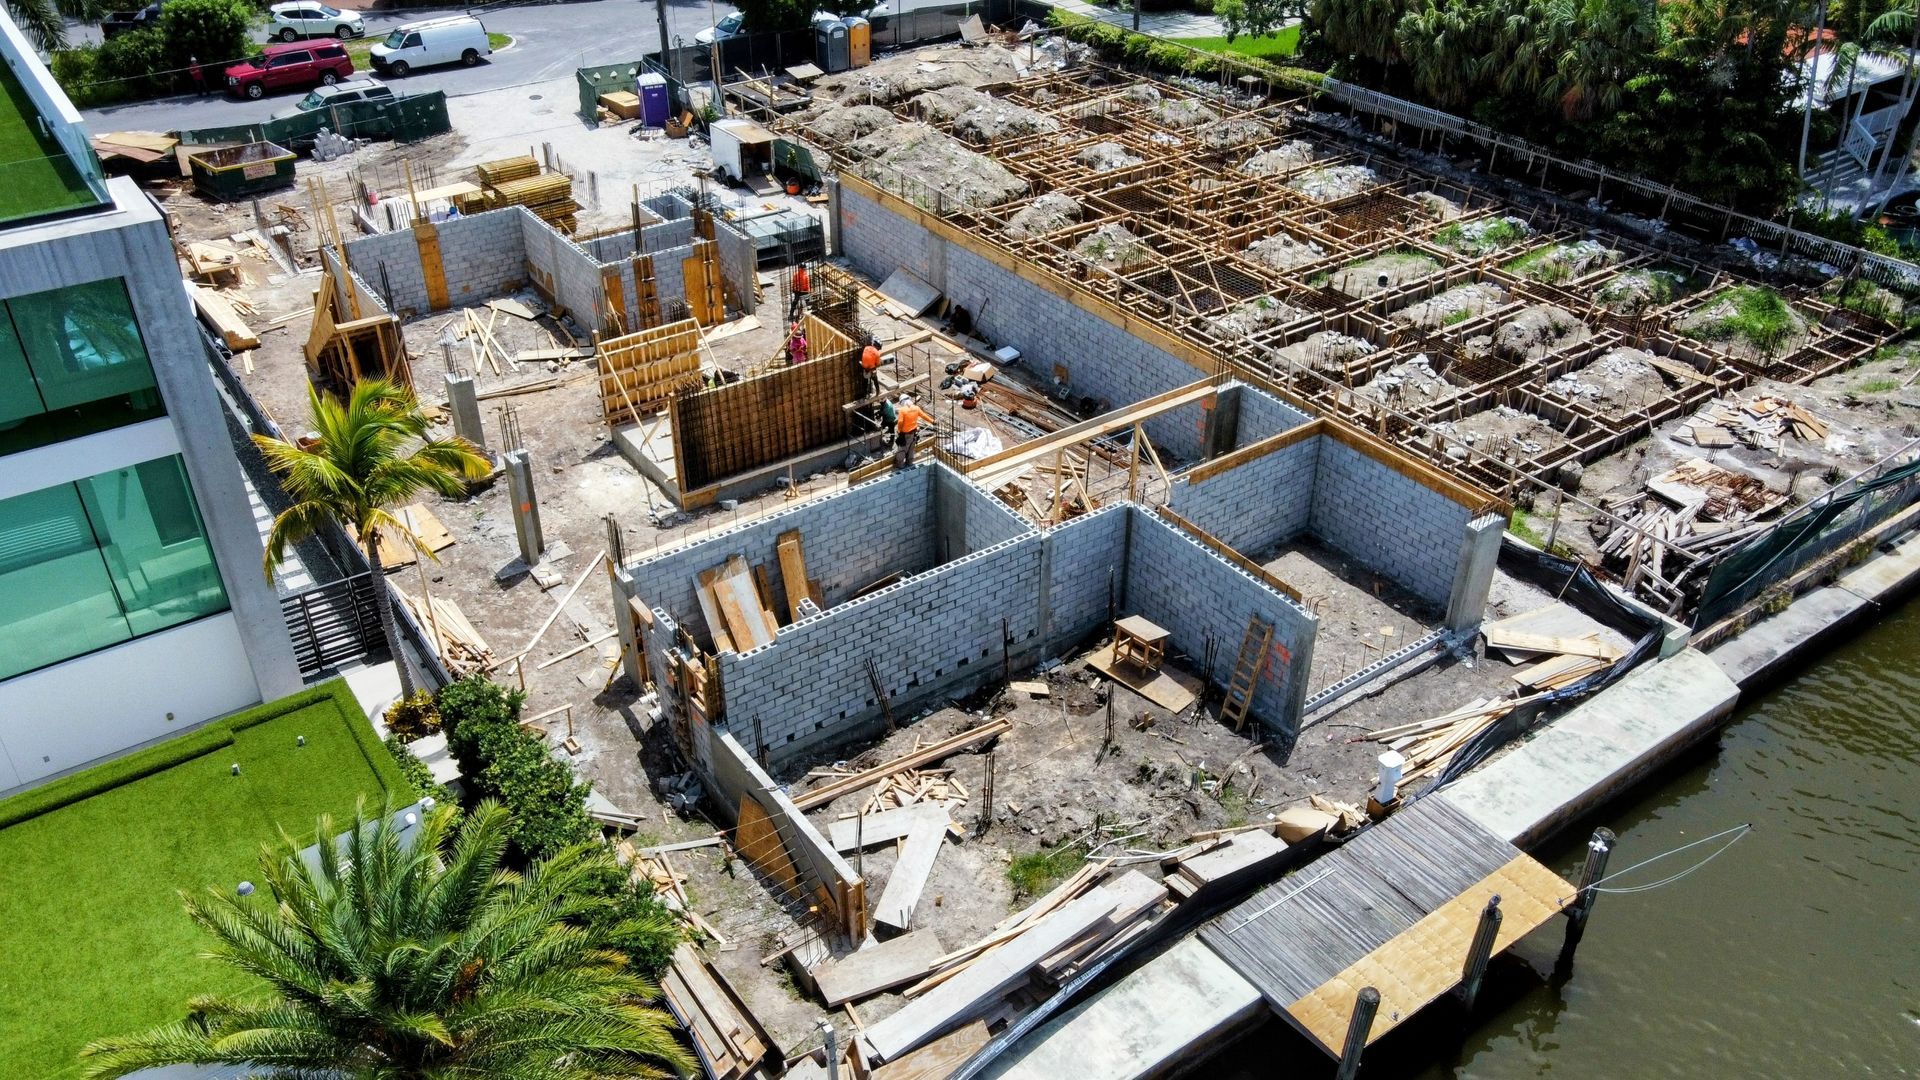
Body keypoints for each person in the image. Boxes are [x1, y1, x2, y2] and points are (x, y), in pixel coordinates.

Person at [893, 393, 931, 468]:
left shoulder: (903, 410)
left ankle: (900, 465)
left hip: (905, 434)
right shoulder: (916, 408)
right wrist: (932, 421)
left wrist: (899, 431)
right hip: (914, 433)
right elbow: (923, 415)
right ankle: (909, 463)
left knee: (902, 449)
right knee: (911, 448)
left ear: (902, 402)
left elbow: (900, 422)